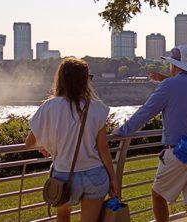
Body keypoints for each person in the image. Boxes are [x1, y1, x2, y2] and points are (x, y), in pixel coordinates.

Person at [113, 45, 187, 222]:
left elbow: (146, 112)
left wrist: (122, 131)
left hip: (182, 150)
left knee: (158, 194)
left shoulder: (169, 85)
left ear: (174, 65)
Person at [25, 57, 118, 222]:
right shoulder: (96, 108)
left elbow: (29, 142)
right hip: (95, 174)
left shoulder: (49, 106)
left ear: (60, 79)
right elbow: (103, 149)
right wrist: (112, 178)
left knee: (63, 216)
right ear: (85, 81)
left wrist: (46, 145)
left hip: (64, 175)